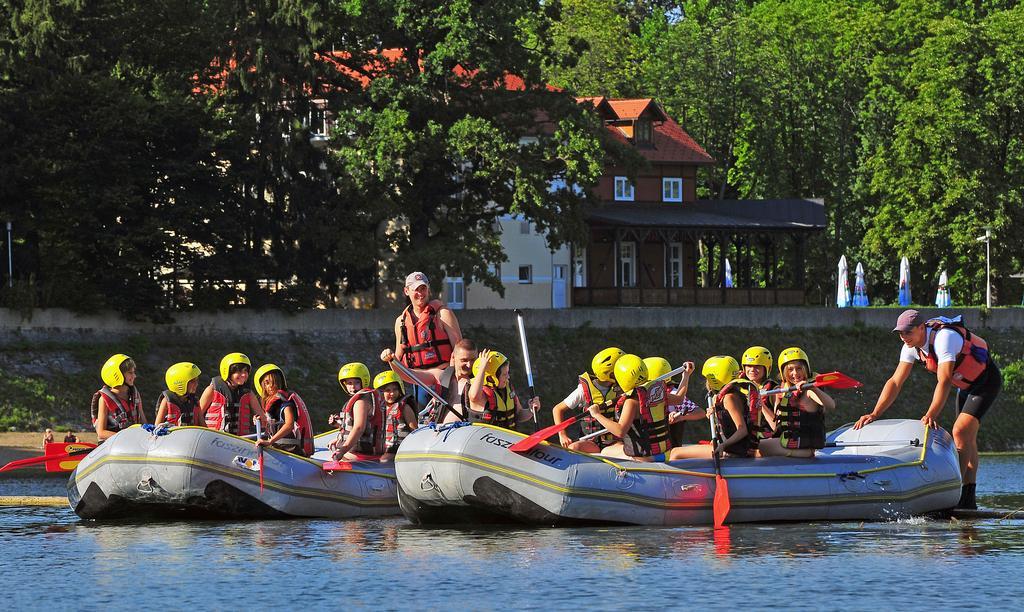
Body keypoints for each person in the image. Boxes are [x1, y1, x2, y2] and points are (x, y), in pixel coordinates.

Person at [854, 310, 1001, 509]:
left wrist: (931, 414)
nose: (904, 337)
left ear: (922, 328)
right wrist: (875, 413)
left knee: (960, 432)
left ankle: (953, 494)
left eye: (908, 332)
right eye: (901, 333)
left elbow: (945, 380)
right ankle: (968, 497)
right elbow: (896, 381)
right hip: (965, 386)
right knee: (966, 438)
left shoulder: (944, 338)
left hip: (986, 382)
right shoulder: (910, 347)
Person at [588, 354, 692, 462]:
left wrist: (596, 414)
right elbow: (679, 399)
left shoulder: (631, 402)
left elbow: (620, 431)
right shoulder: (657, 392)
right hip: (664, 453)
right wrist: (686, 376)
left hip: (643, 458)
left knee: (605, 451)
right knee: (617, 446)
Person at [669, 356, 759, 461]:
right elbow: (729, 424)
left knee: (675, 453)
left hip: (732, 450)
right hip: (730, 447)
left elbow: (742, 430)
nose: (707, 381)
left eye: (708, 378)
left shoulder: (729, 398)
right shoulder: (728, 396)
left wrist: (723, 445)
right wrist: (716, 414)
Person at [394, 271, 463, 405]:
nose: (420, 293)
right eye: (416, 290)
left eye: (423, 288)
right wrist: (389, 360)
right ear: (406, 291)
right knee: (424, 419)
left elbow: (459, 349)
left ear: (428, 289)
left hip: (444, 377)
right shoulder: (401, 322)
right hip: (419, 380)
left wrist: (452, 377)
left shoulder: (443, 314)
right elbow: (398, 355)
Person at [381, 339, 479, 425]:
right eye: (464, 360)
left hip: (468, 432)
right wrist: (392, 360)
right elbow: (408, 375)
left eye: (473, 360)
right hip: (440, 432)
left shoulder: (481, 381)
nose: (469, 365)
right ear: (453, 357)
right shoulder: (440, 376)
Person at [758, 347, 834, 458]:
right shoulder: (782, 393)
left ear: (806, 369)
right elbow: (776, 428)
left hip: (804, 449)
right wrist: (761, 404)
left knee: (753, 448)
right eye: (790, 370)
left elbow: (831, 405)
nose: (795, 373)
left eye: (799, 368)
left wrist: (814, 388)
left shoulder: (808, 390)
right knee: (751, 443)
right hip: (788, 444)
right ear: (783, 372)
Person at [551, 347, 624, 452]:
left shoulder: (623, 387)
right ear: (609, 373)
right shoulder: (583, 390)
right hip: (590, 441)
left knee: (625, 450)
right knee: (573, 448)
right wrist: (562, 435)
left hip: (614, 441)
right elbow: (557, 409)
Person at [465, 349, 538, 430]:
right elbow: (474, 396)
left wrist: (531, 411)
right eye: (504, 374)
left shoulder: (508, 388)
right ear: (491, 377)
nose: (508, 377)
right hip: (486, 439)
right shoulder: (480, 395)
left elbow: (519, 414)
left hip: (508, 439)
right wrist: (482, 368)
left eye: (508, 373)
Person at [253, 364, 314, 456]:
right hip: (280, 449)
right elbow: (270, 426)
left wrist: (270, 441)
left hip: (292, 452)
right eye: (266, 383)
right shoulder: (274, 405)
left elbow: (289, 425)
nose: (270, 386)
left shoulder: (285, 403)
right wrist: (259, 420)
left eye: (274, 382)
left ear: (280, 383)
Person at [198, 353, 263, 437]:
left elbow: (261, 416)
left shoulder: (249, 394)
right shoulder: (211, 390)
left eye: (246, 371)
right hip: (213, 439)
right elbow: (197, 414)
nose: (243, 375)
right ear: (228, 372)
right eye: (239, 371)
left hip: (239, 441)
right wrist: (204, 431)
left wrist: (258, 419)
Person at [330, 362, 385, 460]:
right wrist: (338, 438)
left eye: (356, 382)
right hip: (361, 451)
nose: (352, 387)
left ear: (364, 381)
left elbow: (359, 428)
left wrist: (342, 450)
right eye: (349, 383)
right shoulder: (363, 398)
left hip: (361, 454)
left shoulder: (361, 401)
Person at [645, 356, 703, 446]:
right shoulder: (640, 395)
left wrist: (681, 417)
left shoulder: (673, 393)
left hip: (670, 448)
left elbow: (700, 412)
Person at [90, 353, 147, 442]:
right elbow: (101, 432)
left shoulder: (135, 395)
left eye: (134, 372)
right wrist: (128, 438)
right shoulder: (104, 400)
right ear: (117, 375)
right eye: (130, 373)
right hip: (113, 446)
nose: (134, 376)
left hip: (133, 443)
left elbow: (143, 421)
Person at [373, 371, 418, 462]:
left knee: (383, 460)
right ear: (380, 392)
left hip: (399, 447)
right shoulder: (378, 408)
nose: (392, 393)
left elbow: (414, 430)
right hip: (383, 448)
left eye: (395, 389)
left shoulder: (404, 407)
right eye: (388, 390)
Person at [740, 346, 780, 438]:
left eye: (757, 366)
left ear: (766, 368)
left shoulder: (774, 390)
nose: (752, 370)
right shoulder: (741, 387)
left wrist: (760, 403)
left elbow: (776, 427)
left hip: (767, 438)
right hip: (745, 437)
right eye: (749, 366)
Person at [153, 362, 202, 427]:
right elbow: (156, 427)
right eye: (192, 381)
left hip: (191, 436)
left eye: (197, 380)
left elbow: (203, 425)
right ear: (180, 383)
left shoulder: (195, 401)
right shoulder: (166, 402)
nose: (196, 384)